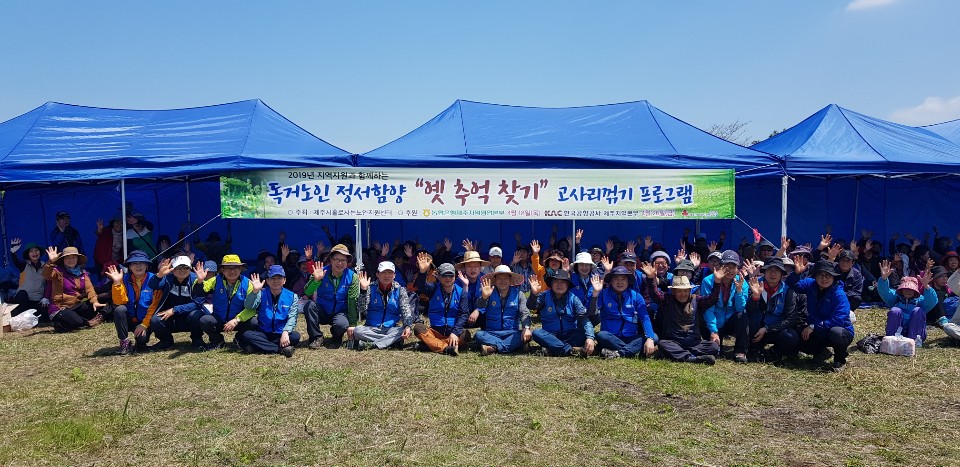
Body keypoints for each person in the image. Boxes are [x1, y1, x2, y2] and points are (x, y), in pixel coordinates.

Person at [785, 258, 855, 372]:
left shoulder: (839, 293)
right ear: (815, 276)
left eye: (828, 275)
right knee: (795, 334)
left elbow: (839, 319)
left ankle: (840, 359)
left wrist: (814, 326)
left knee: (836, 332)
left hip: (838, 330)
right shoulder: (810, 284)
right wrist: (796, 273)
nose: (824, 279)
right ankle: (820, 352)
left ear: (833, 277)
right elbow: (790, 286)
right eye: (820, 275)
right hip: (818, 330)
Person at [648, 272, 722, 365]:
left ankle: (679, 354)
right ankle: (691, 358)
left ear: (689, 291)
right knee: (663, 344)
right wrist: (651, 278)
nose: (683, 294)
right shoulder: (667, 300)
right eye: (679, 291)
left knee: (713, 347)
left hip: (694, 343)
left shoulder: (696, 300)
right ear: (673, 291)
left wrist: (717, 282)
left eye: (685, 291)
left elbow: (713, 299)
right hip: (673, 341)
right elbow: (654, 294)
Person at [592, 266, 657, 359]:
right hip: (611, 337)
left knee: (654, 337)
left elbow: (645, 318)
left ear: (628, 281)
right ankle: (632, 351)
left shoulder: (636, 296)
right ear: (611, 281)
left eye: (623, 279)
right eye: (616, 279)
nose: (620, 282)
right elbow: (592, 312)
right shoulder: (603, 294)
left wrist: (650, 339)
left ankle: (618, 353)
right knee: (601, 335)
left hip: (631, 337)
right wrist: (595, 294)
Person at [194, 254, 257, 350]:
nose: (232, 271)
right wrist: (199, 280)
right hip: (220, 319)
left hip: (239, 321)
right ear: (222, 270)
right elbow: (199, 292)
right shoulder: (215, 280)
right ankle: (217, 341)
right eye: (228, 268)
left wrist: (237, 320)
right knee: (205, 320)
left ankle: (238, 339)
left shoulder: (248, 283)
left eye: (235, 268)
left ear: (241, 269)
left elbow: (252, 309)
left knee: (254, 322)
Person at [142, 255, 205, 351]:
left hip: (188, 316)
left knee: (198, 315)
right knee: (155, 320)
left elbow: (198, 303)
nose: (182, 270)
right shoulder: (168, 278)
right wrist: (159, 275)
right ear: (173, 269)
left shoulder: (196, 279)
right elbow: (152, 285)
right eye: (178, 267)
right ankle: (166, 341)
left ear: (190, 268)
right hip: (170, 317)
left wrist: (175, 310)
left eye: (186, 267)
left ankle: (197, 339)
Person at [526, 270, 595, 358]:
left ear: (567, 285)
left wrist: (590, 338)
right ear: (551, 284)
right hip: (550, 334)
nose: (559, 285)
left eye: (563, 282)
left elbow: (584, 319)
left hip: (570, 335)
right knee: (536, 333)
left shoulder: (574, 299)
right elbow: (531, 306)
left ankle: (552, 349)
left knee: (583, 334)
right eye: (556, 282)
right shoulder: (544, 296)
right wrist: (534, 294)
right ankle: (570, 351)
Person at [745, 257, 802, 362]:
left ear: (782, 274)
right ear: (764, 272)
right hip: (755, 327)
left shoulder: (788, 291)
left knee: (791, 337)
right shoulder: (753, 284)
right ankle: (754, 349)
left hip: (775, 328)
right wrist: (755, 297)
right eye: (770, 270)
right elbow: (747, 310)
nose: (773, 274)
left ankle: (775, 351)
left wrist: (767, 329)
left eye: (777, 271)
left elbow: (791, 318)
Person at [236, 266, 300, 357]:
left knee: (295, 336)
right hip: (263, 333)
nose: (276, 281)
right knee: (247, 335)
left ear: (284, 280)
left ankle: (258, 346)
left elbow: (292, 317)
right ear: (267, 280)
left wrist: (285, 332)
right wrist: (254, 291)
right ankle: (280, 350)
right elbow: (248, 306)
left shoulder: (292, 296)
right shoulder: (261, 293)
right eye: (272, 278)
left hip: (281, 333)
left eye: (279, 278)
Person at [302, 243, 358, 348]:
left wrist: (352, 325)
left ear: (347, 262)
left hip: (340, 312)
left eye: (343, 260)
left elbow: (352, 301)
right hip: (323, 310)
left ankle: (336, 336)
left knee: (342, 325)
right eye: (337, 259)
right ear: (331, 260)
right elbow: (308, 292)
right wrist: (316, 280)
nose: (340, 263)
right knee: (309, 305)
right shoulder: (321, 272)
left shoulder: (352, 277)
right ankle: (316, 337)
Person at [700, 250, 750, 363]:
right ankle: (714, 343)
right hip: (713, 321)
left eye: (734, 267)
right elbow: (708, 308)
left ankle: (740, 351)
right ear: (720, 266)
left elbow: (740, 309)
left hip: (730, 321)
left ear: (738, 269)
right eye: (727, 266)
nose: (730, 270)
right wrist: (713, 330)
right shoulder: (708, 281)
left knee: (742, 316)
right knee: (714, 349)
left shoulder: (742, 282)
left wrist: (738, 291)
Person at [412, 258, 469, 356]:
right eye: (444, 275)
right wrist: (422, 272)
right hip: (435, 331)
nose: (448, 278)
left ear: (455, 276)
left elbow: (464, 314)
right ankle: (447, 348)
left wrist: (455, 333)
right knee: (418, 328)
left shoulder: (461, 293)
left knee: (466, 335)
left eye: (450, 275)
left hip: (453, 332)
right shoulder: (433, 288)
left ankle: (429, 345)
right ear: (438, 276)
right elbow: (421, 286)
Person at [472, 265, 532, 356]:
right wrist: (484, 298)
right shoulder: (488, 292)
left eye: (505, 278)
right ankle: (512, 346)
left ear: (510, 280)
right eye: (499, 278)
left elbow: (525, 312)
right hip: (491, 332)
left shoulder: (519, 294)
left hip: (512, 332)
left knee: (529, 335)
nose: (502, 281)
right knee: (478, 335)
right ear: (495, 280)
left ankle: (493, 348)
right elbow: (479, 305)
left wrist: (526, 328)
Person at [353, 261, 413, 350]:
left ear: (394, 275)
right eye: (383, 272)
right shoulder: (370, 287)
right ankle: (390, 343)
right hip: (371, 328)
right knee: (357, 331)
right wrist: (363, 290)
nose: (386, 276)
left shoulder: (400, 290)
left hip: (391, 328)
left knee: (404, 331)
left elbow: (406, 309)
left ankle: (372, 344)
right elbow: (361, 309)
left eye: (390, 273)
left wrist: (407, 326)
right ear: (377, 274)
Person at [42, 246, 105, 332]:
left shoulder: (83, 273)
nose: (70, 260)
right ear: (63, 260)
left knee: (97, 306)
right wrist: (51, 262)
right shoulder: (57, 271)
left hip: (75, 306)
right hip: (59, 308)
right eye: (67, 258)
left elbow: (90, 289)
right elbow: (46, 275)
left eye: (73, 257)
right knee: (77, 321)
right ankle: (85, 323)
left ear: (77, 259)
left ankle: (68, 322)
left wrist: (95, 301)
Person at [877, 259, 937, 347]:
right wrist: (883, 279)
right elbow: (884, 292)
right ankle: (891, 338)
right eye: (906, 289)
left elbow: (932, 301)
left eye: (911, 289)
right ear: (901, 289)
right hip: (897, 333)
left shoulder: (920, 301)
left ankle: (915, 340)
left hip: (916, 334)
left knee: (918, 310)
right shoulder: (895, 298)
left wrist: (927, 287)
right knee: (895, 310)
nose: (908, 291)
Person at [104, 250, 155, 354]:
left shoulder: (154, 279)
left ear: (147, 265)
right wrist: (117, 282)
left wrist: (144, 325)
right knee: (119, 309)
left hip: (145, 320)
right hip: (130, 318)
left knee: (142, 341)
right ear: (130, 267)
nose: (138, 266)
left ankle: (140, 342)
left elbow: (155, 306)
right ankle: (124, 342)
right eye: (134, 263)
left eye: (141, 263)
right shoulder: (124, 278)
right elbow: (119, 302)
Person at [8, 238, 50, 319]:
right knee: (22, 293)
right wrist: (13, 253)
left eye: (36, 250)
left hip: (38, 300)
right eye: (31, 251)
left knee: (46, 315)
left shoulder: (45, 266)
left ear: (40, 252)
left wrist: (46, 297)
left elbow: (49, 284)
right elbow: (16, 262)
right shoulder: (24, 265)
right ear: (28, 254)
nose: (34, 253)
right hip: (24, 300)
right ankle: (21, 315)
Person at [457, 250, 489, 329]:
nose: (473, 269)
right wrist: (465, 287)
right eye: (469, 266)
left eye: (476, 266)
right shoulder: (458, 282)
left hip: (481, 316)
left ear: (480, 267)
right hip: (462, 318)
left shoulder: (485, 280)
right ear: (464, 268)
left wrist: (478, 310)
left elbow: (490, 300)